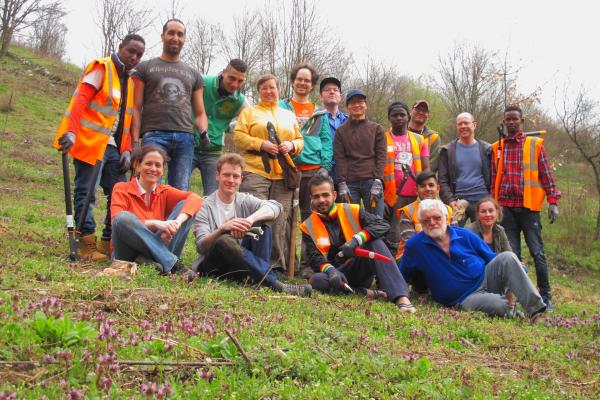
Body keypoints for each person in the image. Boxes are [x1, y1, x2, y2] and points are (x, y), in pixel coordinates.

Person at [54, 34, 146, 261]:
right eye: (131, 51)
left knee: (119, 191)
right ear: (120, 47)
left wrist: (126, 149)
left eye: (139, 54)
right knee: (86, 191)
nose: (134, 57)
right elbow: (80, 102)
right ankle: (86, 242)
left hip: (114, 147)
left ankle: (108, 242)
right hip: (89, 142)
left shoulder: (131, 82)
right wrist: (71, 132)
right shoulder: (101, 67)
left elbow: (124, 121)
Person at [399, 199, 547, 322]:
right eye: (426, 220)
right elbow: (400, 277)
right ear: (421, 223)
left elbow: (492, 258)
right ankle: (516, 314)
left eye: (437, 218)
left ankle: (536, 312)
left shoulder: (464, 234)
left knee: (508, 257)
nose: (432, 223)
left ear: (446, 217)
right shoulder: (414, 246)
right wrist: (396, 295)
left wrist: (518, 268)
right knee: (500, 305)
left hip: (486, 279)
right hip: (464, 298)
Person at [192, 153, 312, 296]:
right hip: (215, 266)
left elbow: (275, 207)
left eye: (235, 176)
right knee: (224, 240)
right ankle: (273, 282)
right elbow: (201, 246)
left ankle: (258, 276)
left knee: (263, 220)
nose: (231, 180)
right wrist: (222, 229)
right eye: (226, 175)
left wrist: (250, 220)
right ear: (217, 176)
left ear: (241, 179)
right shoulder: (204, 205)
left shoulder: (244, 200)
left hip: (242, 264)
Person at [300, 174, 416, 312]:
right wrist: (330, 271)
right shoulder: (307, 226)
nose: (321, 200)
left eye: (325, 195)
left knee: (375, 242)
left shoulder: (352, 210)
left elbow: (382, 224)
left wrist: (357, 240)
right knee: (316, 281)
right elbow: (314, 258)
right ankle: (364, 292)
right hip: (335, 275)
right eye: (316, 196)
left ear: (334, 195)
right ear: (312, 199)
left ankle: (401, 297)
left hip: (359, 266)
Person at [491, 105, 561, 310]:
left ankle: (546, 296)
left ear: (522, 122)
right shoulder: (497, 147)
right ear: (504, 122)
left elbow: (546, 175)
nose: (511, 122)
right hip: (506, 209)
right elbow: (493, 178)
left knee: (537, 253)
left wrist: (553, 201)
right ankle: (516, 296)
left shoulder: (535, 144)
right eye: (507, 120)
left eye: (515, 119)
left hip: (528, 207)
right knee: (512, 256)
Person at [233, 74, 304, 272]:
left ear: (278, 89)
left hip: (283, 174)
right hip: (255, 169)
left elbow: (300, 140)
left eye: (272, 87)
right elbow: (238, 137)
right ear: (259, 91)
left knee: (279, 219)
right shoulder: (249, 112)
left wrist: (291, 145)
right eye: (264, 88)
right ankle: (250, 262)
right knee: (256, 215)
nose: (268, 91)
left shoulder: (288, 115)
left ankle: (275, 265)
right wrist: (261, 144)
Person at [131, 18, 208, 191]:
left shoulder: (194, 74)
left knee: (180, 191)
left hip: (185, 138)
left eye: (180, 34)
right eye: (171, 33)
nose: (175, 37)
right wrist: (135, 142)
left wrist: (203, 132)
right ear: (162, 36)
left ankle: (175, 220)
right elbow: (135, 107)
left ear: (184, 38)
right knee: (150, 187)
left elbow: (200, 113)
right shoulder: (145, 68)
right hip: (154, 135)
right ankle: (149, 219)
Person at [110, 145, 202, 281]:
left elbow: (197, 199)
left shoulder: (164, 191)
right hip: (127, 252)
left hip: (160, 246)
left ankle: (148, 262)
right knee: (123, 218)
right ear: (138, 166)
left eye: (158, 165)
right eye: (148, 164)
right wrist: (157, 224)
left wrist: (177, 223)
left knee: (186, 207)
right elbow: (116, 220)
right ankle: (174, 264)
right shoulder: (122, 188)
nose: (153, 169)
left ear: (163, 170)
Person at [192, 59, 249, 196]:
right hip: (189, 145)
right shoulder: (202, 83)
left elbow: (246, 123)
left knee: (214, 196)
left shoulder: (240, 101)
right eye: (232, 78)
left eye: (240, 81)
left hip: (213, 151)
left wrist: (225, 128)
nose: (235, 84)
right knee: (176, 188)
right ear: (224, 72)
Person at [333, 89, 387, 217]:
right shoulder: (341, 131)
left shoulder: (377, 129)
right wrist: (342, 183)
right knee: (351, 223)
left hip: (372, 181)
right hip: (350, 184)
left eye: (360, 101)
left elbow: (381, 156)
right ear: (347, 107)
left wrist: (378, 180)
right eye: (352, 102)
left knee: (376, 221)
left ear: (366, 105)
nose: (357, 105)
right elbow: (339, 158)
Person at [438, 112, 491, 225]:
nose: (463, 126)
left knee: (482, 238)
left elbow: (494, 176)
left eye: (466, 123)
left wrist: (491, 198)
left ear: (474, 125)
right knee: (454, 235)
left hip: (482, 200)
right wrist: (450, 200)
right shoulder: (447, 151)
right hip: (458, 202)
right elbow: (442, 180)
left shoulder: (487, 149)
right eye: (459, 124)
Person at [390, 171, 453, 260]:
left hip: (443, 254)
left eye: (431, 185)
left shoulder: (448, 210)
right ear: (416, 190)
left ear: (438, 189)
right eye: (423, 186)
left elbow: (455, 237)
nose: (427, 189)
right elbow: (411, 242)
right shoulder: (408, 211)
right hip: (412, 257)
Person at [383, 102, 430, 213]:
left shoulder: (419, 139)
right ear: (389, 118)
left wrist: (426, 189)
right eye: (395, 115)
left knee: (413, 228)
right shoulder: (382, 139)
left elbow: (426, 168)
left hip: (414, 194)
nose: (399, 118)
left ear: (408, 116)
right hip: (390, 195)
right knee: (393, 228)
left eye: (402, 115)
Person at [319, 77, 348, 179]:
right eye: (327, 90)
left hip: (346, 175)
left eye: (335, 90)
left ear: (340, 96)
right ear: (320, 96)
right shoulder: (315, 120)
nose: (332, 92)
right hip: (321, 173)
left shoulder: (349, 121)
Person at [279, 63, 318, 127]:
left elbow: (325, 136)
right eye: (299, 79)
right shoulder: (280, 107)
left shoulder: (319, 113)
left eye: (307, 80)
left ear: (312, 85)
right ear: (292, 82)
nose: (302, 83)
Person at [408, 100, 441, 172]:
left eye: (425, 111)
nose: (421, 112)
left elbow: (432, 165)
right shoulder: (400, 133)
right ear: (410, 112)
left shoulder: (433, 137)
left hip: (423, 181)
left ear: (428, 116)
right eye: (417, 109)